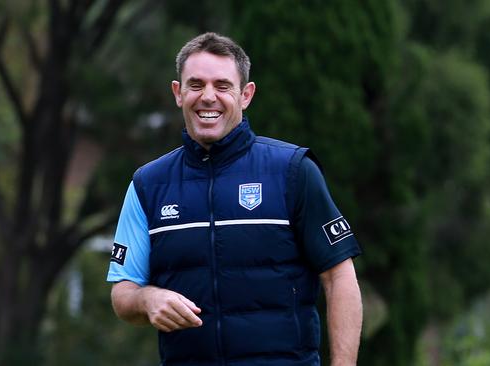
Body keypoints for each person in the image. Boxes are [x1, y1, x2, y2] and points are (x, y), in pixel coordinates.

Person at [107, 32, 362, 366]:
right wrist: (148, 299)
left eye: (222, 86)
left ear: (245, 95)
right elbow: (122, 293)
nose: (208, 97)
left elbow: (339, 276)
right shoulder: (147, 184)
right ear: (178, 93)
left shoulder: (293, 171)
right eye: (195, 84)